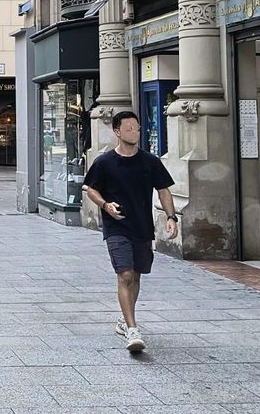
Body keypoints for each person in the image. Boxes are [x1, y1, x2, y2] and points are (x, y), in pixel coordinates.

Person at [82, 110, 177, 354]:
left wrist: (171, 217)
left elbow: (164, 190)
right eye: (128, 129)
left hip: (142, 227)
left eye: (136, 128)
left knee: (135, 276)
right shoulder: (104, 162)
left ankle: (125, 319)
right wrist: (105, 205)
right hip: (116, 226)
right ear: (117, 131)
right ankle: (133, 329)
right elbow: (90, 188)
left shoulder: (150, 161)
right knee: (124, 274)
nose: (134, 133)